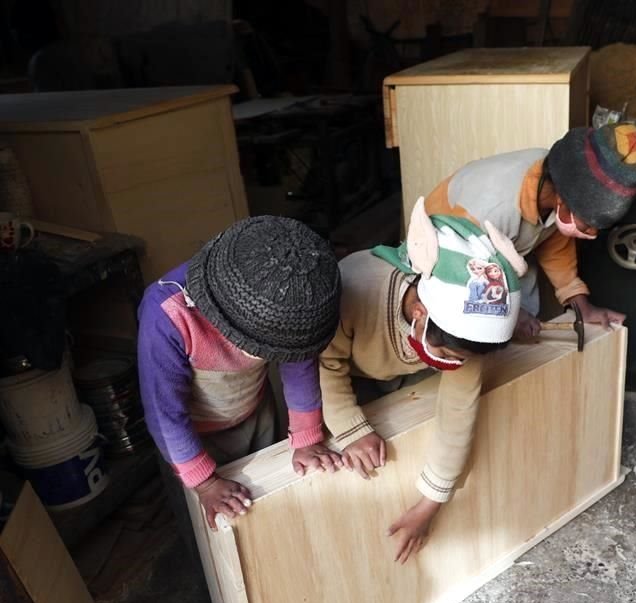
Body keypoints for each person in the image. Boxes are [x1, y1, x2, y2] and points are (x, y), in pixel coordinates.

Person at [319, 198, 525, 563]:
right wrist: (350, 429)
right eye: (447, 354)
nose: (456, 364)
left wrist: (429, 505)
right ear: (420, 313)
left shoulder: (464, 334)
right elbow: (327, 366)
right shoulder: (352, 289)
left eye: (462, 359)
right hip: (348, 371)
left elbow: (457, 415)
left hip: (398, 372)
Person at [138, 216, 342, 530]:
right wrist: (205, 483)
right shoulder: (166, 314)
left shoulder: (292, 302)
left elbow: (300, 362)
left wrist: (307, 437)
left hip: (257, 412)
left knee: (269, 507)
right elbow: (164, 413)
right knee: (210, 525)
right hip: (190, 438)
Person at [423, 122, 636, 337]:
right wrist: (508, 315)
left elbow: (555, 246)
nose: (592, 233)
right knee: (470, 340)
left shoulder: (560, 179)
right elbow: (462, 277)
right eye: (589, 223)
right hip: (445, 267)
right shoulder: (490, 211)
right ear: (563, 201)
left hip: (502, 259)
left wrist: (581, 306)